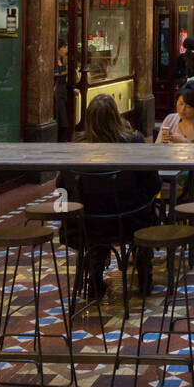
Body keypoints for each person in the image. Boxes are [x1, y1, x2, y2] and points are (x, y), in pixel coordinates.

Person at [60, 94, 158, 298]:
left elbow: (63, 185)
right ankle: (144, 269)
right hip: (131, 219)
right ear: (116, 115)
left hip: (87, 223)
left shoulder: (76, 147)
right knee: (147, 214)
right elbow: (153, 183)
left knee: (98, 216)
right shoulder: (134, 142)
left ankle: (95, 269)